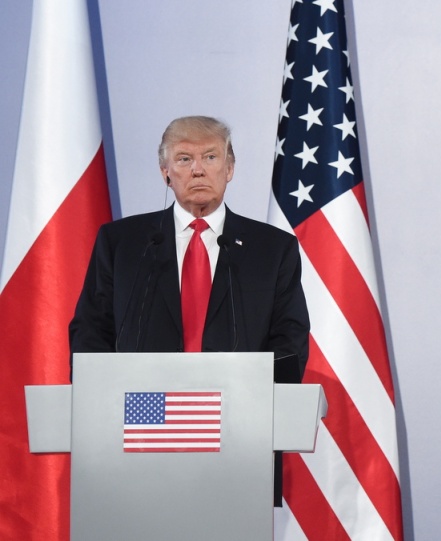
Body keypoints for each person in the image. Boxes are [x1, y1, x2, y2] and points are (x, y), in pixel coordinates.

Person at [69, 116, 310, 505]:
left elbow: (290, 340)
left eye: (210, 156)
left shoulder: (273, 249)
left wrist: (252, 405)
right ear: (165, 172)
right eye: (183, 159)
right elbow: (90, 331)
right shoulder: (123, 243)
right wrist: (107, 408)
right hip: (138, 431)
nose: (197, 168)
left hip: (237, 434)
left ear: (229, 168)